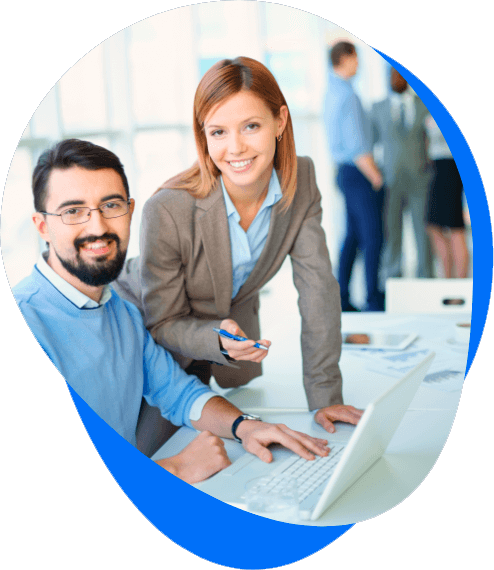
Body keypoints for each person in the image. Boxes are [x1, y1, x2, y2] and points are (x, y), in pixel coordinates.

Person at [12, 138, 337, 485]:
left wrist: (246, 426)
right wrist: (175, 468)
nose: (98, 227)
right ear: (42, 226)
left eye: (111, 205)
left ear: (130, 211)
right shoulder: (31, 320)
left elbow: (178, 393)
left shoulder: (120, 311)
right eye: (73, 211)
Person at [113, 56, 363, 438]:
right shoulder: (168, 207)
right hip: (142, 339)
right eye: (218, 132)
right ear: (203, 136)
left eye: (251, 126)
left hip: (219, 350)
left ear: (280, 121)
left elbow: (319, 291)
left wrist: (325, 396)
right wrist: (216, 339)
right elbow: (163, 321)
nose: (236, 148)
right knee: (148, 449)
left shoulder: (301, 179)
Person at [323, 41, 385, 312]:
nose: (358, 64)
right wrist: (376, 177)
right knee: (373, 237)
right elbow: (358, 147)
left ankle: (342, 297)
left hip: (344, 173)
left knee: (353, 236)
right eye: (355, 58)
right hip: (359, 173)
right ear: (345, 58)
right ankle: (373, 299)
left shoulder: (331, 91)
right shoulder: (348, 95)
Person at [371, 68, 434, 284]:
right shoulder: (378, 108)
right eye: (392, 75)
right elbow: (370, 144)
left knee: (422, 233)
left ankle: (427, 278)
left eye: (400, 75)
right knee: (392, 233)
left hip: (419, 180)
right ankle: (392, 280)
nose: (396, 79)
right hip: (390, 181)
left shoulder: (423, 105)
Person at [424, 114, 469, 278]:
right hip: (438, 167)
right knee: (434, 224)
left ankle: (459, 282)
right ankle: (448, 280)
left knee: (455, 226)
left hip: (451, 166)